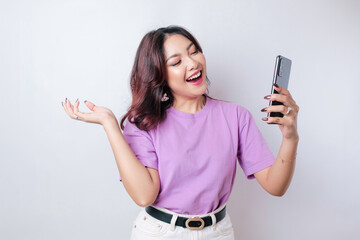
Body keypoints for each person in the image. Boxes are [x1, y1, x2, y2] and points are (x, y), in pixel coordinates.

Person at [62, 26, 299, 240]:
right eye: (176, 62)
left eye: (194, 51)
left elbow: (275, 186)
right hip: (159, 234)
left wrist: (290, 136)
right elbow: (144, 196)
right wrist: (110, 124)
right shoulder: (144, 123)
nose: (192, 63)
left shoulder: (235, 116)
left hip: (218, 233)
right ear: (159, 75)